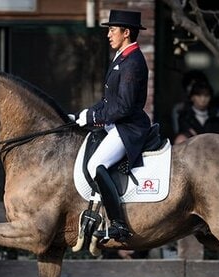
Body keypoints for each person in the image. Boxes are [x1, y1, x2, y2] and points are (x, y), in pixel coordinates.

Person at [74, 9, 151, 242]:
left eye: (112, 30)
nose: (108, 35)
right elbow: (110, 101)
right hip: (116, 124)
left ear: (126, 32)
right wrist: (86, 114)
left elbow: (124, 107)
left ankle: (119, 225)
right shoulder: (121, 58)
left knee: (96, 164)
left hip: (128, 128)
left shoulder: (133, 62)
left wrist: (95, 118)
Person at [173, 80, 219, 144]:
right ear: (192, 97)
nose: (203, 99)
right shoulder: (184, 116)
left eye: (206, 95)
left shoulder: (216, 117)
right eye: (199, 95)